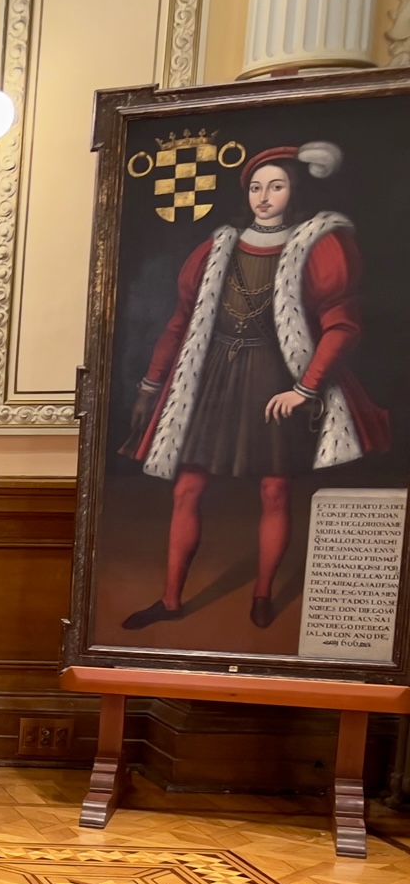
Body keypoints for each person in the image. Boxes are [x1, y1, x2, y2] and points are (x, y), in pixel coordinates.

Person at [125, 141, 388, 633]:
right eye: (256, 188)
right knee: (187, 488)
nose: (264, 197)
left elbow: (342, 327)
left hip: (276, 377)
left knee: (274, 490)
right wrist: (151, 381)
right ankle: (171, 599)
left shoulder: (319, 244)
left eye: (276, 186)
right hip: (214, 378)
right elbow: (181, 322)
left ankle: (262, 594)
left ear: (295, 190)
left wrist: (305, 389)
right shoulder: (217, 248)